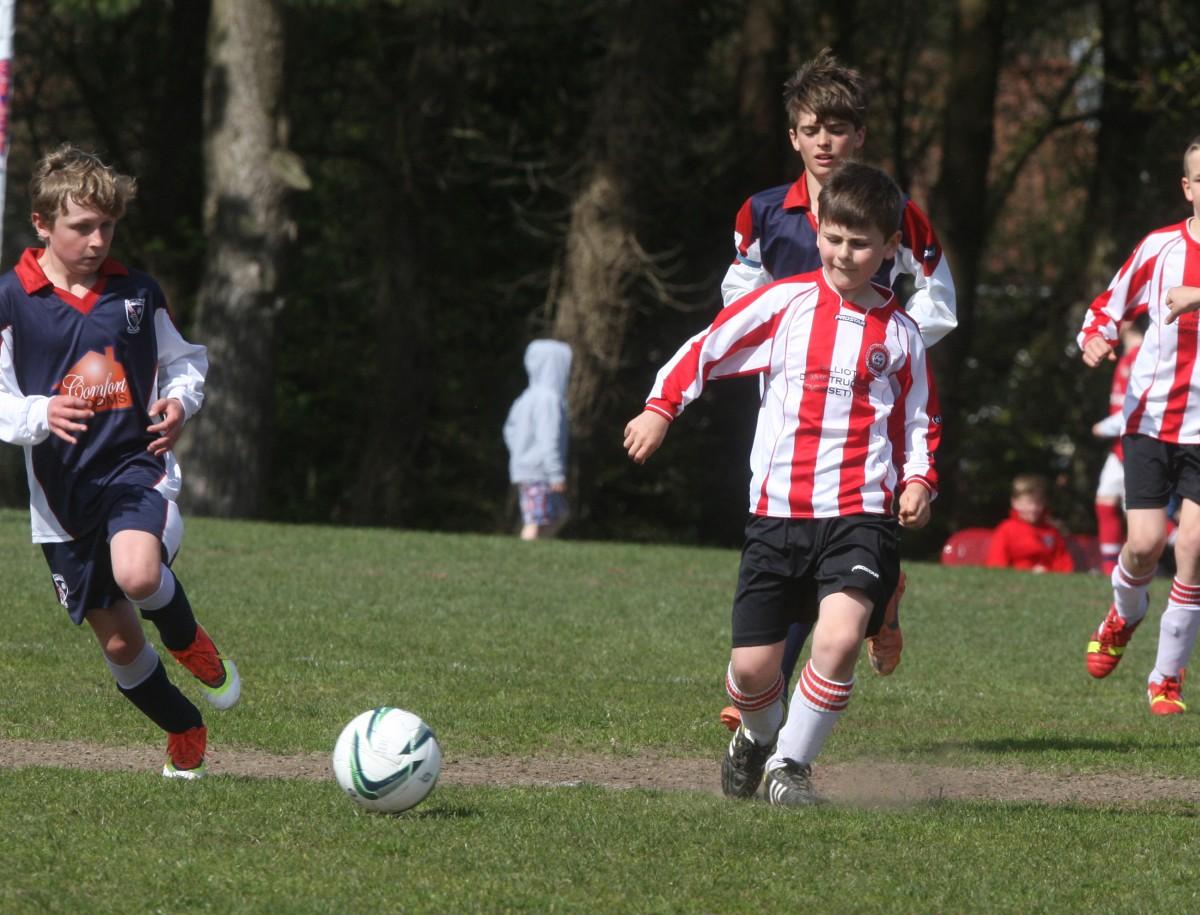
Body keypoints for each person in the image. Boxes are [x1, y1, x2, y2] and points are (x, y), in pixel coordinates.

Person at [624, 162, 940, 805]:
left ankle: (791, 766)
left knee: (841, 635)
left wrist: (919, 482)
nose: (844, 253)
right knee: (751, 670)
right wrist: (660, 408)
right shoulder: (784, 301)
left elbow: (920, 420)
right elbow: (707, 347)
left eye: (860, 243)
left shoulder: (903, 335)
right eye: (834, 238)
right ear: (818, 231)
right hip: (778, 515)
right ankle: (756, 738)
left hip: (862, 513)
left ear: (888, 250)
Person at [717, 49, 956, 729]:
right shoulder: (762, 213)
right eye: (812, 128)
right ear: (793, 135)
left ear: (861, 137)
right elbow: (736, 296)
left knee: (848, 526)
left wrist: (881, 358)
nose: (826, 141)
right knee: (789, 534)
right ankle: (865, 612)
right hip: (789, 406)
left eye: (840, 128)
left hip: (871, 406)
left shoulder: (898, 215)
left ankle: (780, 698)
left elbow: (939, 299)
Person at [0, 144, 239, 777]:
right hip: (62, 500)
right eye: (82, 227)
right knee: (119, 642)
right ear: (43, 224)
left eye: (108, 225)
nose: (98, 239)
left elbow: (184, 361)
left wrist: (180, 404)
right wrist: (38, 414)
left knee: (136, 575)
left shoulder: (136, 293)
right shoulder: (11, 300)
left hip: (135, 471)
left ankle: (187, 637)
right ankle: (186, 727)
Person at [1078, 134, 1200, 715]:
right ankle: (1124, 615)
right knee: (1147, 544)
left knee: (1195, 548)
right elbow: (1108, 303)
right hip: (1152, 420)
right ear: (1187, 188)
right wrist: (1095, 337)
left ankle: (1166, 678)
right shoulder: (1160, 248)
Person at [1091, 316, 1146, 574]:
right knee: (1105, 499)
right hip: (1120, 446)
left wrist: (1105, 427)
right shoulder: (1128, 354)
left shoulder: (1143, 354)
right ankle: (1109, 567)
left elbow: (1139, 404)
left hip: (1136, 443)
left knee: (1141, 516)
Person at [503, 339, 572, 540]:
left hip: (529, 469)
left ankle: (538, 552)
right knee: (536, 519)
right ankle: (525, 557)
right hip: (539, 471)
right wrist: (555, 473)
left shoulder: (525, 397)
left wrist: (519, 455)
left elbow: (509, 431)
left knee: (559, 514)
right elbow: (548, 438)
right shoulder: (548, 400)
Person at [984, 474, 1075, 573]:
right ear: (1015, 503)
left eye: (1038, 503)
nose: (1033, 508)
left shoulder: (1051, 532)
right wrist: (1028, 572)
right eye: (1028, 503)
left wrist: (1049, 573)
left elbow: (1064, 564)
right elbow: (996, 565)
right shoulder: (1006, 530)